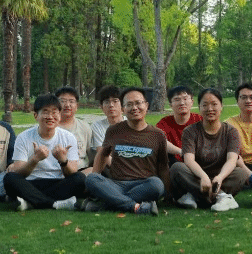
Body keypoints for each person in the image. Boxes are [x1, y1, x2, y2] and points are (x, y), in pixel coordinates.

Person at [83, 87, 169, 215]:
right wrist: (96, 177)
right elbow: (103, 155)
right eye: (129, 104)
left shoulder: (157, 135)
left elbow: (163, 166)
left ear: (146, 105)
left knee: (157, 185)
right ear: (123, 109)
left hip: (144, 184)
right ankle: (136, 207)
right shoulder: (113, 131)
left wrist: (168, 194)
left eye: (138, 103)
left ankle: (105, 204)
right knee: (92, 179)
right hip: (116, 183)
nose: (134, 108)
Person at [170, 88, 252, 211]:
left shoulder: (231, 131)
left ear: (221, 106)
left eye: (214, 104)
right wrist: (203, 177)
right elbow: (188, 160)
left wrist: (220, 178)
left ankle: (196, 196)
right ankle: (220, 197)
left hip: (221, 178)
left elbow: (232, 160)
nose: (210, 109)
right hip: (196, 177)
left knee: (241, 173)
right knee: (177, 168)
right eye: (205, 105)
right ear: (199, 107)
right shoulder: (190, 131)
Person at [4, 93, 86, 210]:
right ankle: (54, 204)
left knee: (80, 179)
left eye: (54, 112)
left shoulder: (69, 137)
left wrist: (63, 161)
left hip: (58, 182)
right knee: (10, 178)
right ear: (36, 115)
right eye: (45, 112)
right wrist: (35, 159)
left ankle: (31, 201)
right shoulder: (23, 137)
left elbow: (72, 172)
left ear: (60, 115)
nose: (50, 116)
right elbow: (19, 173)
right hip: (31, 182)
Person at [155, 85, 200, 160]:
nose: (182, 103)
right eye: (177, 99)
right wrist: (182, 152)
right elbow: (159, 141)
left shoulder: (200, 120)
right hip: (175, 163)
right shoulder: (164, 123)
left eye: (185, 99)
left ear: (192, 102)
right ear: (170, 105)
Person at [56, 86, 93, 171]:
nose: (67, 105)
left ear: (76, 106)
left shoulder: (84, 127)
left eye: (71, 101)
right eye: (63, 101)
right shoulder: (50, 127)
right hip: (56, 171)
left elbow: (91, 154)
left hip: (80, 171)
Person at [89, 85, 123, 165]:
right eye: (107, 102)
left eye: (115, 101)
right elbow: (103, 153)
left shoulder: (130, 123)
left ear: (122, 104)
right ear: (101, 107)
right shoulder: (97, 126)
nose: (111, 105)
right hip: (108, 166)